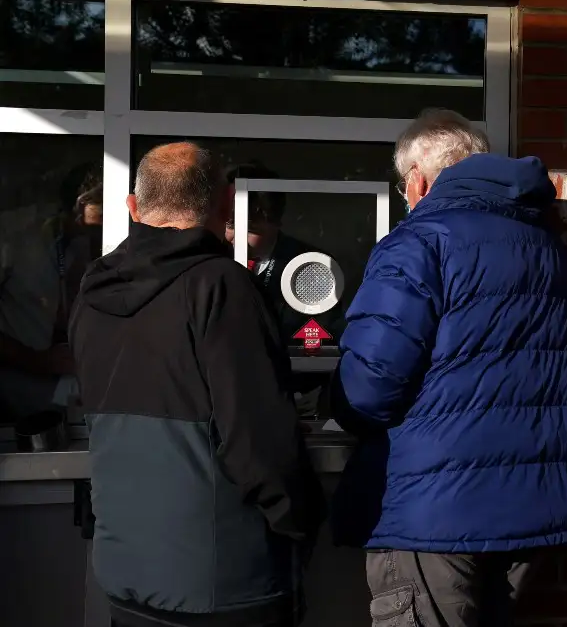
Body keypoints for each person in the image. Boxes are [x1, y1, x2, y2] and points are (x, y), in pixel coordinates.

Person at [331, 108, 567, 627]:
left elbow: (368, 387)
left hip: (433, 515)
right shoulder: (550, 250)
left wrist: (328, 404)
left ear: (417, 182)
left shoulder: (418, 242)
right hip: (534, 510)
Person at [69, 142, 324, 627]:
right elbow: (260, 442)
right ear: (227, 204)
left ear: (132, 207)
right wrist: (300, 524)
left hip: (127, 575)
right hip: (225, 582)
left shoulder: (92, 291)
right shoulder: (221, 287)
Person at [223, 162, 343, 415]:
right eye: (229, 225)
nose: (233, 237)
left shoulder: (312, 265)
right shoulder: (213, 261)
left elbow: (330, 335)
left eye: (249, 227)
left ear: (274, 220)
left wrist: (319, 390)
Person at [0, 162, 102, 422]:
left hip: (68, 379)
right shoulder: (18, 243)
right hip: (18, 385)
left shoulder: (84, 245)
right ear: (81, 205)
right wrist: (36, 361)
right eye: (106, 206)